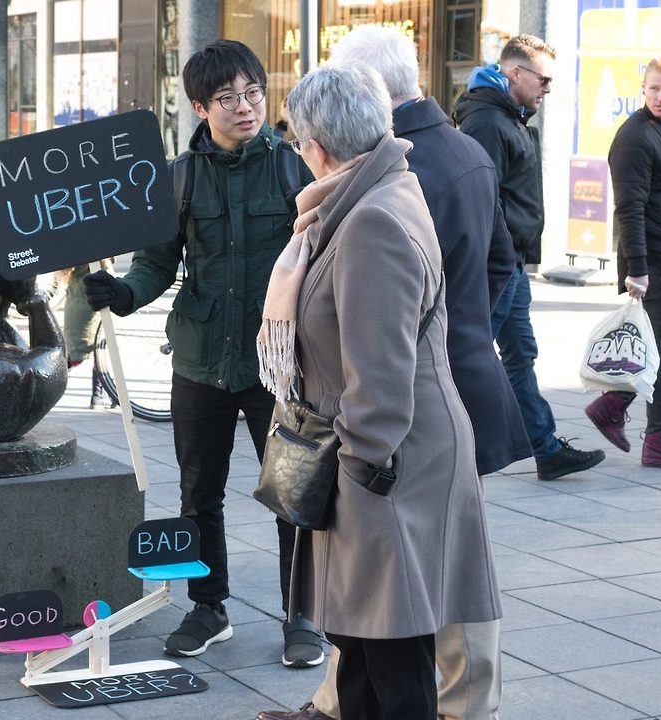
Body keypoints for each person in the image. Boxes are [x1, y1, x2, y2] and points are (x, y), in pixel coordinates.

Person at [256, 25, 524, 720]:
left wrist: (354, 471)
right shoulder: (371, 193)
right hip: (386, 463)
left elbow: (380, 375)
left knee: (395, 658)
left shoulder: (371, 218)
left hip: (387, 468)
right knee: (362, 653)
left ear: (316, 149)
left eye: (296, 144)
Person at [82, 40, 319, 666]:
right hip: (200, 361)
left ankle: (304, 615)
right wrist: (124, 292)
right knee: (197, 493)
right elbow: (157, 263)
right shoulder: (179, 178)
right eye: (226, 99)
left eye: (252, 94)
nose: (244, 108)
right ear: (198, 107)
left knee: (292, 491)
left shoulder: (296, 170)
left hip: (281, 364)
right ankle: (208, 606)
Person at [453, 35, 606, 482]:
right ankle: (447, 443)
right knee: (471, 357)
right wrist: (498, 260)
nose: (548, 89)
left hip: (513, 264)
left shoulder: (510, 118)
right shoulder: (487, 122)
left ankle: (545, 447)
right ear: (514, 74)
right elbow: (484, 200)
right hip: (497, 267)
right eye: (543, 79)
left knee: (520, 356)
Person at [585, 57, 661, 471]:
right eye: (654, 88)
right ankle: (658, 439)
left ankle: (614, 404)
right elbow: (629, 208)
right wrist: (636, 268)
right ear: (642, 89)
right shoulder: (636, 136)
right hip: (654, 256)